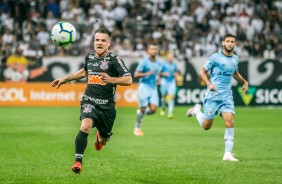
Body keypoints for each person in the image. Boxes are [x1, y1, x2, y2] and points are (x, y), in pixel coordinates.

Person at [51, 28, 132, 174]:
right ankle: (78, 161)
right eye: (97, 40)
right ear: (93, 42)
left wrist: (112, 79)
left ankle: (99, 139)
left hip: (107, 108)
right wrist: (65, 79)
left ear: (109, 43)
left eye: (103, 40)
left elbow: (129, 79)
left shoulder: (114, 60)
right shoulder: (89, 57)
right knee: (85, 126)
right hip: (89, 101)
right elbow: (84, 72)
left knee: (104, 140)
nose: (99, 43)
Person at [186, 34, 248, 161]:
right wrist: (209, 84)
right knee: (206, 126)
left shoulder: (235, 59)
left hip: (226, 96)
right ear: (223, 43)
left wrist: (244, 82)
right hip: (213, 96)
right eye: (228, 41)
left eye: (232, 42)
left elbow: (234, 72)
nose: (230, 44)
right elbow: (202, 71)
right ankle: (196, 111)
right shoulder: (215, 57)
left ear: (235, 44)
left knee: (230, 121)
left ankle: (228, 154)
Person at [133, 43, 162, 136]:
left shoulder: (158, 63)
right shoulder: (144, 62)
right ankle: (137, 128)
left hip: (153, 88)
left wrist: (158, 79)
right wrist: (147, 74)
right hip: (144, 86)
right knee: (143, 108)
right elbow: (136, 74)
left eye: (155, 49)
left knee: (153, 110)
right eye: (152, 49)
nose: (154, 50)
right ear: (148, 51)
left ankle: (140, 113)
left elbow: (156, 74)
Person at [159, 52, 178, 119]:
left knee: (171, 97)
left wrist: (176, 74)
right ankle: (163, 107)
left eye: (171, 57)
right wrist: (164, 74)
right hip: (164, 81)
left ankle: (170, 113)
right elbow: (159, 72)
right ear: (167, 58)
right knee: (163, 96)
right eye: (169, 57)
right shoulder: (163, 64)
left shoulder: (174, 65)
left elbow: (176, 71)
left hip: (172, 82)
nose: (170, 58)